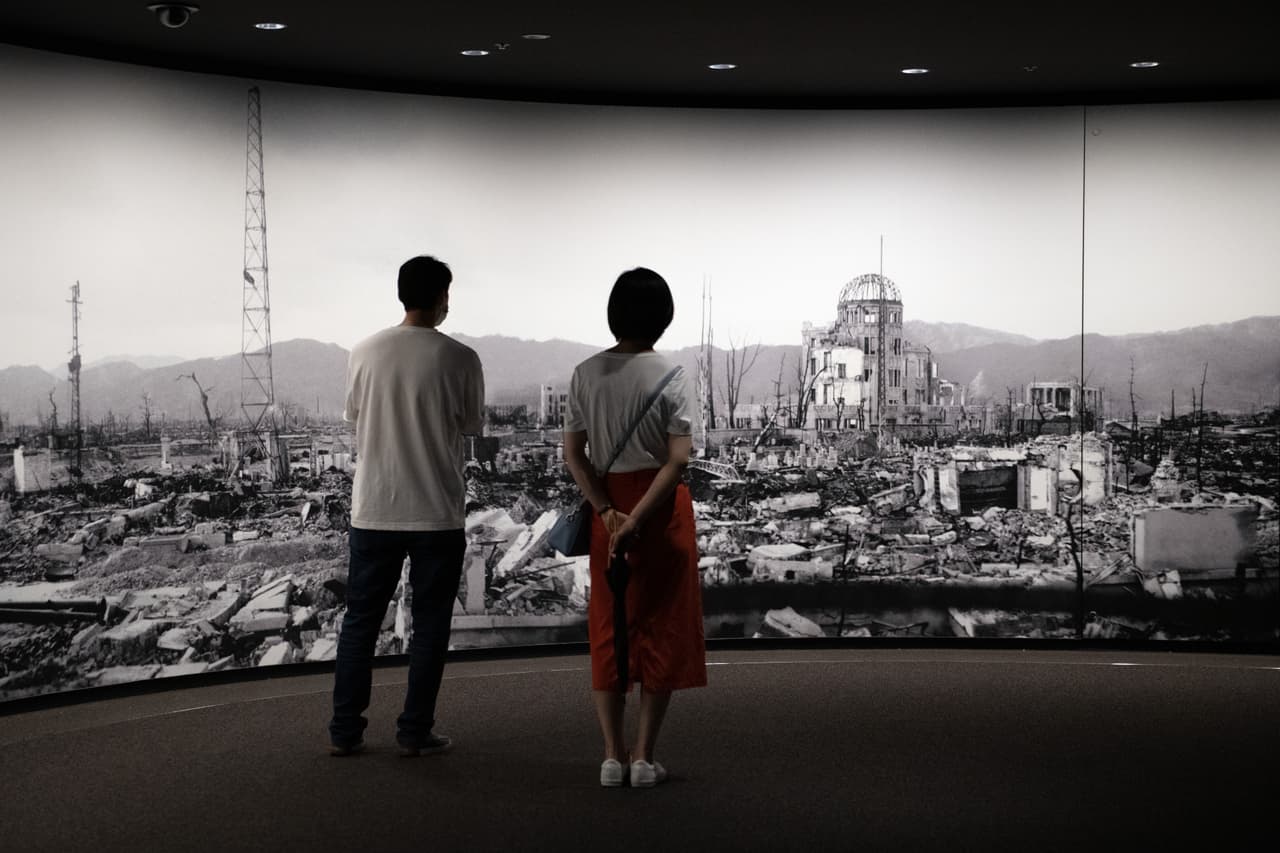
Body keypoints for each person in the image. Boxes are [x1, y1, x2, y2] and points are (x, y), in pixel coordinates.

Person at [329, 255, 485, 757]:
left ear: (401, 294)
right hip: (436, 512)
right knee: (430, 625)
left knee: (360, 623)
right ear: (442, 297)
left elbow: (355, 417)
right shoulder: (461, 358)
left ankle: (344, 732)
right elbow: (470, 427)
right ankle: (414, 731)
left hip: (374, 509)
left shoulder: (363, 352)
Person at [563, 267, 707, 788]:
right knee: (661, 623)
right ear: (663, 317)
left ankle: (611, 757)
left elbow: (574, 455)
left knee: (610, 624)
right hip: (660, 510)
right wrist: (641, 517)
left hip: (610, 506)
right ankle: (644, 758)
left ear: (614, 314)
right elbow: (678, 460)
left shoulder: (585, 374)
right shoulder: (674, 375)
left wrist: (607, 512)